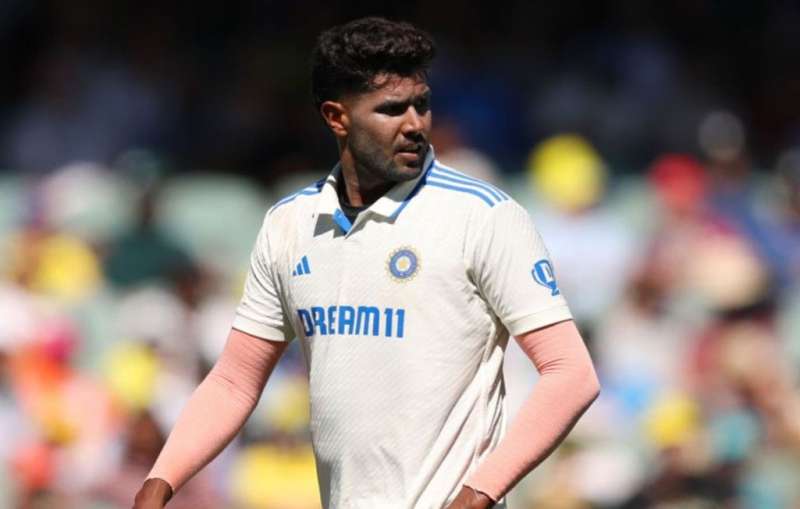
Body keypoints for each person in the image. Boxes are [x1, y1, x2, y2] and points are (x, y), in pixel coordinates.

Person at [133, 17, 600, 509]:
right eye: (392, 109)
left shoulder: (483, 216)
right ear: (337, 117)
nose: (415, 124)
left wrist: (477, 494)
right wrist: (158, 482)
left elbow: (570, 374)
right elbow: (234, 381)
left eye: (422, 104)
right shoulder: (290, 224)